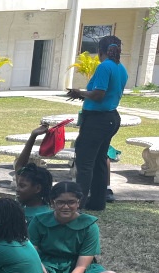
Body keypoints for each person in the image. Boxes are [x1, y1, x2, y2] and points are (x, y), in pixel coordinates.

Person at [28, 181, 119, 273]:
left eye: (71, 202)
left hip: (75, 269)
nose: (66, 207)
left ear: (78, 202)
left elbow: (82, 266)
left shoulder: (89, 225)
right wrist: (39, 266)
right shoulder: (38, 220)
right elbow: (31, 252)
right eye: (60, 202)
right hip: (46, 267)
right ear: (52, 202)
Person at [67, 35, 127, 210]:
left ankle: (77, 204)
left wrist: (81, 93)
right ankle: (97, 202)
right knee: (100, 160)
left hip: (97, 120)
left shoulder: (104, 67)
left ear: (101, 51)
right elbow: (109, 94)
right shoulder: (120, 68)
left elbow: (99, 94)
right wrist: (84, 96)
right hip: (111, 118)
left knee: (84, 163)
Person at [13, 124, 55, 224]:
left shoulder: (43, 217)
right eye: (18, 185)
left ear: (37, 188)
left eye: (22, 186)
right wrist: (33, 136)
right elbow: (19, 166)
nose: (17, 189)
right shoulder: (23, 206)